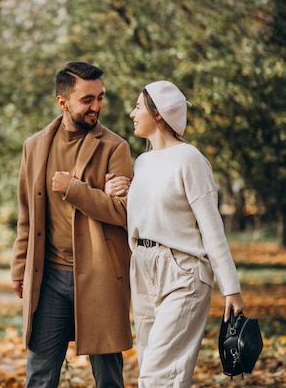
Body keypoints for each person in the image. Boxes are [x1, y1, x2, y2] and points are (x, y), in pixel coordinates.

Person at [105, 80, 245, 387]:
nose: (132, 113)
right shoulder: (142, 162)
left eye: (138, 107)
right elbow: (152, 214)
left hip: (182, 271)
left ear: (158, 114)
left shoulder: (190, 159)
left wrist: (230, 288)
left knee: (159, 375)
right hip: (142, 267)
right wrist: (115, 192)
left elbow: (211, 227)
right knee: (152, 369)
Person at [10, 61, 134, 388]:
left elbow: (125, 214)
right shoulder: (34, 146)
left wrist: (76, 190)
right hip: (49, 277)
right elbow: (27, 215)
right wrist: (19, 266)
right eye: (87, 99)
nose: (97, 107)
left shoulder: (114, 147)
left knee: (109, 377)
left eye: (100, 97)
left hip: (101, 276)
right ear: (62, 102)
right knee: (40, 374)